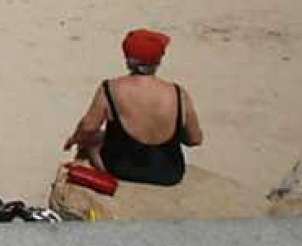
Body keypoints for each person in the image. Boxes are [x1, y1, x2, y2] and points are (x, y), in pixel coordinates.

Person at [64, 29, 203, 186]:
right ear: (158, 60)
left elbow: (88, 127)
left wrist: (74, 139)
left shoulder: (111, 88)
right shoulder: (178, 93)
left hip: (121, 169)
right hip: (169, 173)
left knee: (90, 141)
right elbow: (194, 139)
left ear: (127, 59)